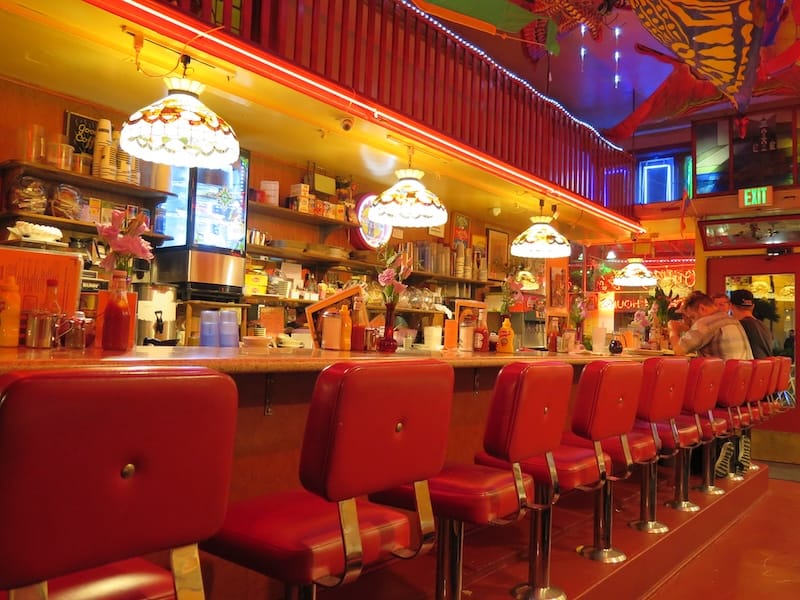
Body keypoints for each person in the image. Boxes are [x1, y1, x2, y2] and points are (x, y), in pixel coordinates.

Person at [668, 291, 753, 360]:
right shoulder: (731, 320)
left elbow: (679, 351)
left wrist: (673, 331)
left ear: (702, 308)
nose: (694, 321)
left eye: (693, 317)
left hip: (723, 378)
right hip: (744, 377)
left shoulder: (706, 323)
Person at [729, 289, 773, 359]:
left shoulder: (738, 327)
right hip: (765, 368)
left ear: (731, 306)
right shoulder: (764, 327)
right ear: (753, 306)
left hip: (750, 368)